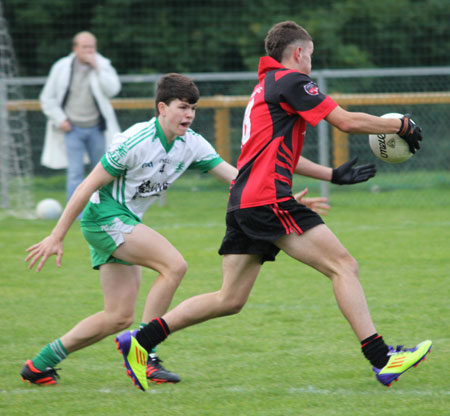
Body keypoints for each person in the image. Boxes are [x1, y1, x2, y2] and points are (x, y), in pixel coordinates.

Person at [114, 21, 431, 392]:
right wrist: (399, 125)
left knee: (229, 299)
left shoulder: (264, 88)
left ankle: (141, 340)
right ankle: (383, 359)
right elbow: (344, 122)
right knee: (343, 265)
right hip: (267, 199)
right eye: (310, 56)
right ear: (298, 53)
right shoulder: (291, 82)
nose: (310, 64)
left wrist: (332, 174)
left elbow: (279, 154)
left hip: (243, 202)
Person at [21, 73, 332, 387]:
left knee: (117, 317)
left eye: (193, 108)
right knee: (174, 265)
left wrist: (283, 199)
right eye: (183, 107)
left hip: (124, 221)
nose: (189, 115)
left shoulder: (191, 143)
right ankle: (145, 351)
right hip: (104, 217)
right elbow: (87, 185)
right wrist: (56, 235)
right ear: (162, 108)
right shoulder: (136, 141)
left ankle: (40, 364)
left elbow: (239, 179)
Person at [39, 31, 121, 202]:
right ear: (75, 48)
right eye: (84, 47)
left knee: (101, 172)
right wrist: (60, 120)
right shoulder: (61, 67)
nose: (89, 50)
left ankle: (102, 208)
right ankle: (76, 214)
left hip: (97, 128)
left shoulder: (103, 65)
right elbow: (47, 98)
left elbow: (113, 90)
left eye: (92, 47)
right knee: (75, 173)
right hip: (72, 128)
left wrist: (97, 68)